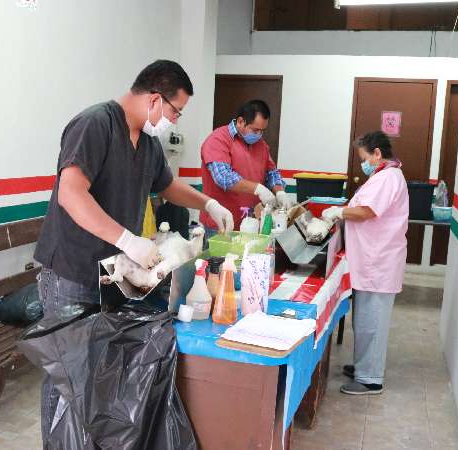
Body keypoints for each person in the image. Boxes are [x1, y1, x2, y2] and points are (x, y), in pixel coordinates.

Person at [32, 60, 233, 440]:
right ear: (155, 99)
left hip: (110, 273)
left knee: (97, 371)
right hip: (71, 271)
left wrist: (207, 204)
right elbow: (71, 195)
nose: (174, 120)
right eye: (175, 111)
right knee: (67, 376)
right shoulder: (95, 124)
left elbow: (167, 187)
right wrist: (127, 239)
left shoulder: (148, 143)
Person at [322, 131, 409, 395]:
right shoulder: (384, 176)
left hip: (378, 263)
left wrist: (340, 211)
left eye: (364, 158)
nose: (363, 163)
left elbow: (368, 211)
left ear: (377, 154)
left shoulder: (388, 177)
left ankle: (370, 378)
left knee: (372, 322)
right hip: (370, 261)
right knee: (365, 320)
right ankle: (363, 365)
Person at [199, 100, 294, 233]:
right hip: (222, 223)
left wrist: (279, 191)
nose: (259, 135)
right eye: (255, 130)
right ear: (240, 121)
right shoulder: (218, 140)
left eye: (262, 131)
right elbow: (223, 177)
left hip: (251, 223)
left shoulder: (261, 145)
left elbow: (271, 172)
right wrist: (258, 189)